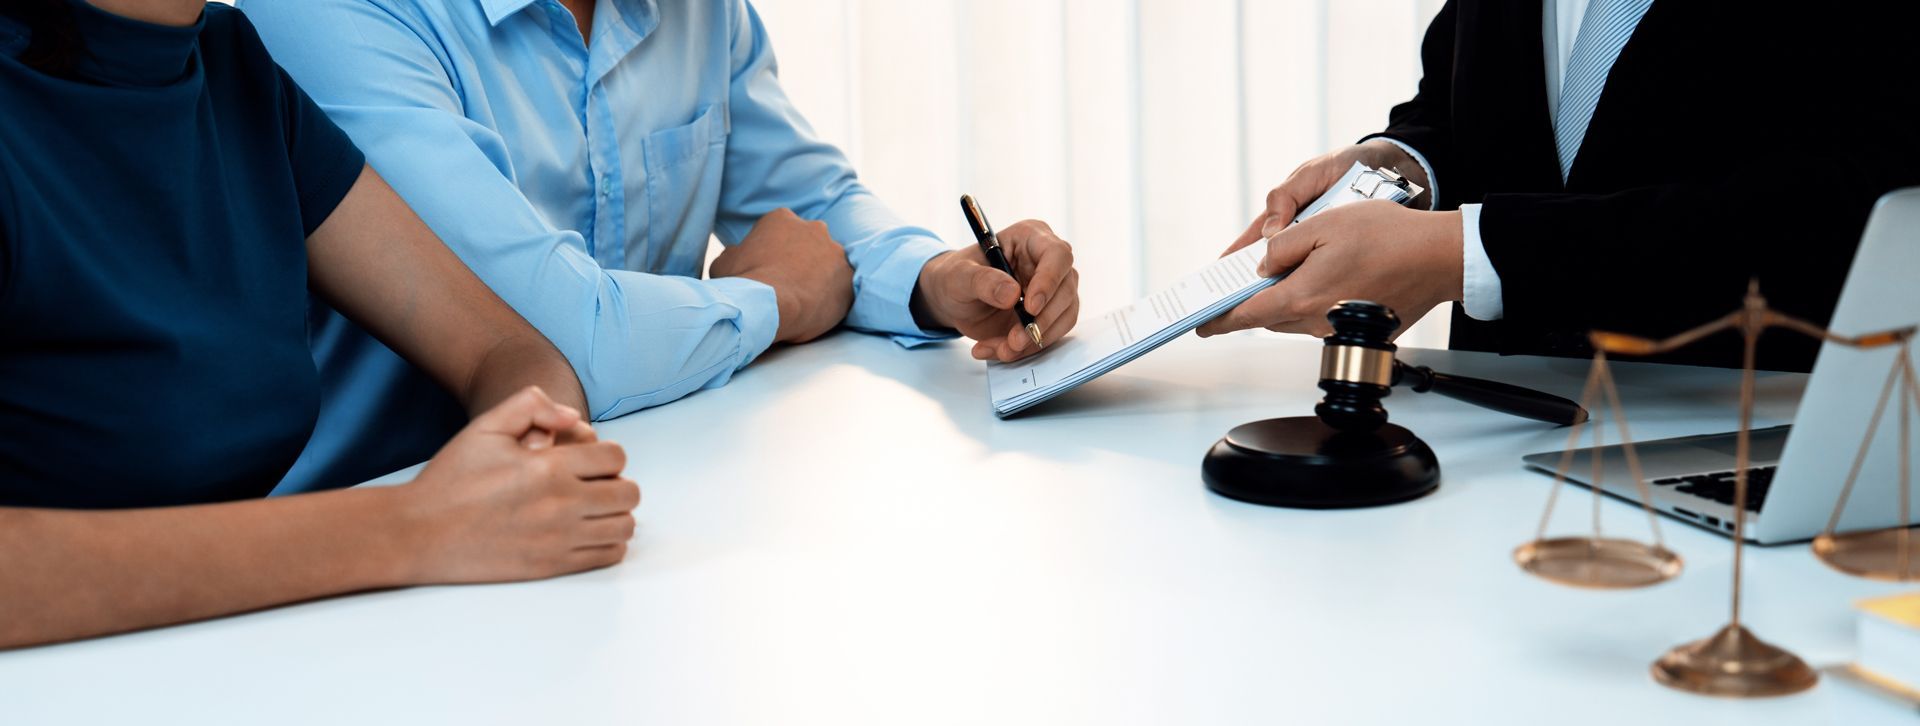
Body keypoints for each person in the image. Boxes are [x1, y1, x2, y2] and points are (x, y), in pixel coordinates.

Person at [236, 0, 1085, 494]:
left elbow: (810, 206)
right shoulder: (334, 15)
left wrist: (939, 279)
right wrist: (776, 302)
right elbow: (557, 343)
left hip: (639, 493)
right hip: (371, 537)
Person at [0, 0, 640, 649]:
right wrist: (416, 527)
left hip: (237, 656)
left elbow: (500, 346)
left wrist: (530, 457)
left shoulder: (229, 63)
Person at [1198, 0, 1920, 371]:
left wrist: (1464, 253)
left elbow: (1849, 205)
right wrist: (1399, 169)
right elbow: (1463, 103)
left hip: (1745, 453)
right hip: (1492, 449)